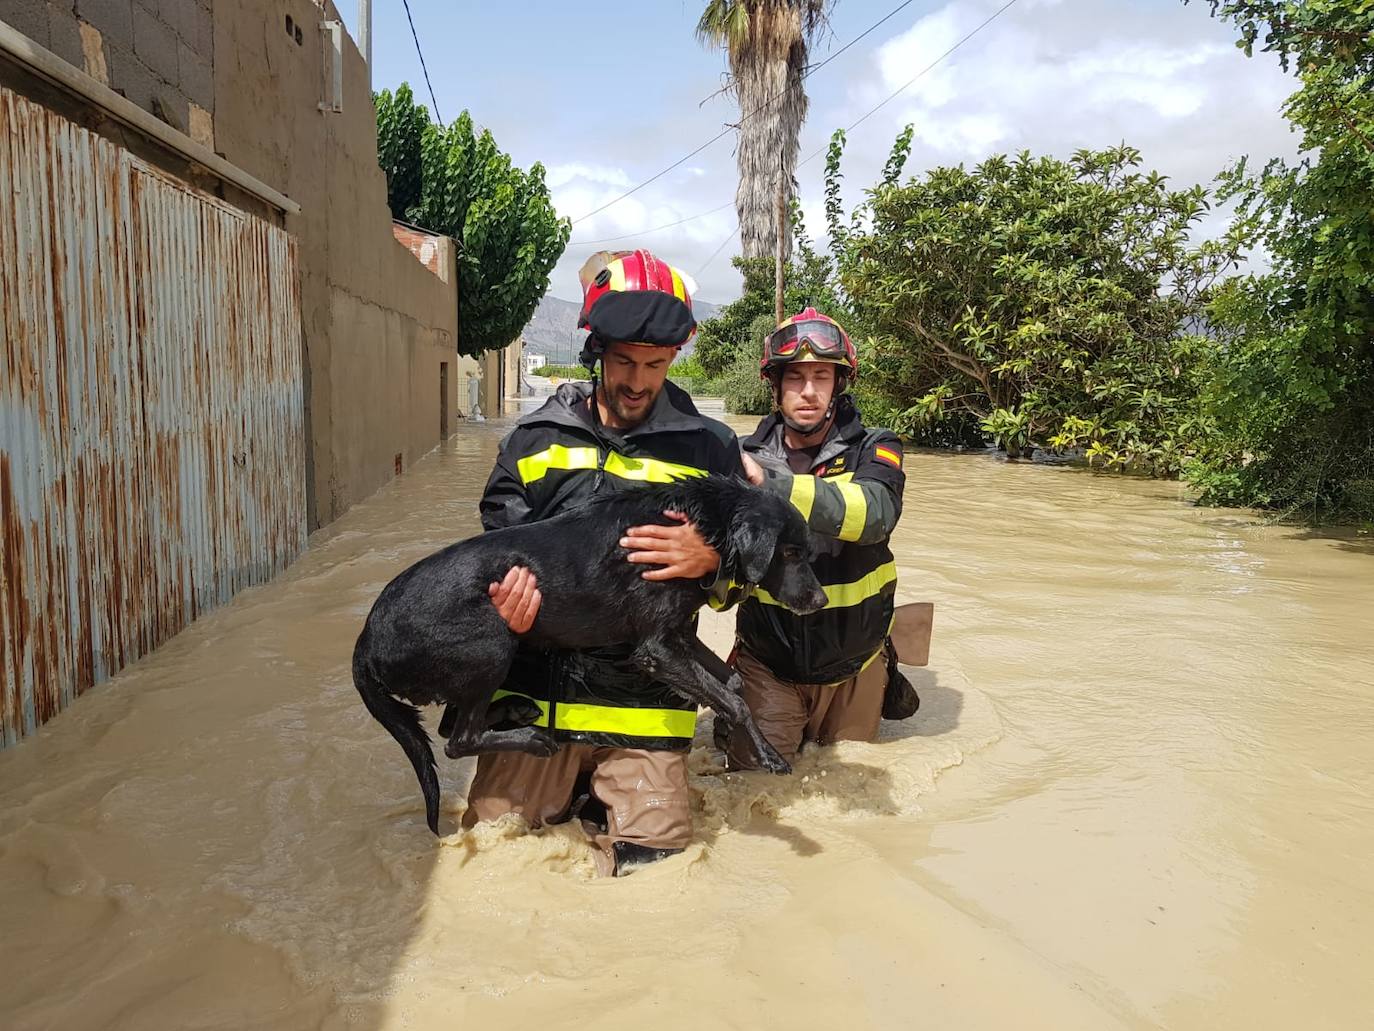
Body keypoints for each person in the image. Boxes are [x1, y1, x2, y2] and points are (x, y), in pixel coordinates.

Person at [464, 249, 746, 876]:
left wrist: (711, 560)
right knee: (489, 863)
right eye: (623, 361)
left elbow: (736, 592)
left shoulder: (712, 449)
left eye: (655, 364)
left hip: (644, 713)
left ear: (675, 358)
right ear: (595, 350)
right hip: (533, 710)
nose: (638, 381)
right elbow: (491, 556)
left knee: (659, 878)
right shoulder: (531, 442)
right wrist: (501, 603)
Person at [722, 308, 911, 769]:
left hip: (856, 667)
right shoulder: (740, 458)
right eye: (795, 378)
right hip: (769, 666)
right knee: (754, 789)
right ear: (776, 386)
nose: (808, 391)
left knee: (850, 787)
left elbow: (876, 515)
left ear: (838, 384)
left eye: (821, 376)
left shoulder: (877, 448)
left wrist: (772, 488)